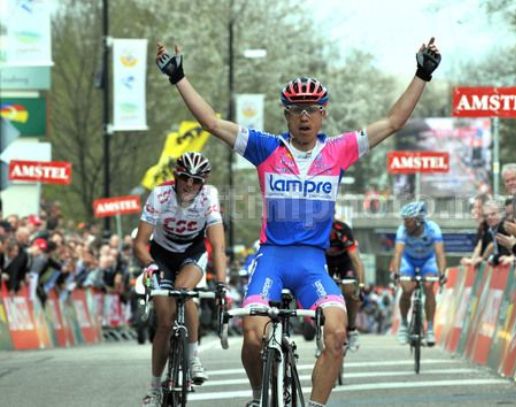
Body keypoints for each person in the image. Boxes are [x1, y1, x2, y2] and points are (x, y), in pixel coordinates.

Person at [155, 37, 440, 407]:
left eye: (312, 109)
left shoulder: (339, 150)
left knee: (336, 335)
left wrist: (422, 73)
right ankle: (259, 396)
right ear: (286, 115)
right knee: (254, 336)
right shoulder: (266, 148)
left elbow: (393, 121)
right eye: (296, 109)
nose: (304, 116)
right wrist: (178, 76)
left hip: (312, 264)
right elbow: (210, 122)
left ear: (324, 114)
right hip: (271, 257)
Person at [134, 152, 227, 407]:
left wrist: (221, 283)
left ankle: (193, 357)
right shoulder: (160, 195)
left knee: (184, 291)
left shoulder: (209, 196)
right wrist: (150, 265)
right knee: (164, 322)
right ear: (176, 176)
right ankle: (154, 388)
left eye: (196, 181)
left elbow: (218, 245)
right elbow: (140, 243)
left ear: (203, 183)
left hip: (191, 252)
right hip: (161, 255)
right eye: (185, 178)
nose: (189, 184)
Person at [389, 201, 446, 346]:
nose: (405, 223)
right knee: (407, 289)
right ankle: (403, 325)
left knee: (428, 286)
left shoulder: (433, 229)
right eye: (404, 220)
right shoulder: (402, 230)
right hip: (409, 261)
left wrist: (441, 273)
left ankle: (430, 328)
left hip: (428, 260)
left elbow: (439, 253)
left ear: (418, 221)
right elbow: (398, 253)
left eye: (408, 221)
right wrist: (396, 273)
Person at [325, 218, 366, 351]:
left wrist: (360, 287)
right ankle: (322, 334)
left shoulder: (342, 230)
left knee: (350, 291)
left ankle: (352, 328)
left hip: (345, 261)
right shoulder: (314, 230)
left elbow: (356, 260)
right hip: (326, 261)